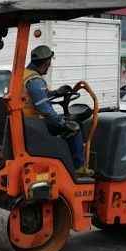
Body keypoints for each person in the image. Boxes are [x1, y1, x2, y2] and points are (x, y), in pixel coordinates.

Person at [23, 45, 87, 175]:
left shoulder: (25, 75)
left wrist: (56, 93)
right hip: (34, 123)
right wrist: (63, 123)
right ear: (47, 62)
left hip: (25, 121)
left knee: (63, 123)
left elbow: (37, 97)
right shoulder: (35, 81)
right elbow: (46, 110)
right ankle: (78, 168)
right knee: (74, 127)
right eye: (50, 63)